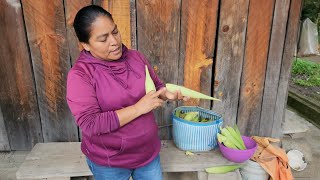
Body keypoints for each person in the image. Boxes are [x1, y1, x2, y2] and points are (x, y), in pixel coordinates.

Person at [67, 5, 188, 180]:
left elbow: (155, 87)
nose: (114, 42)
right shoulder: (80, 75)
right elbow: (91, 123)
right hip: (110, 162)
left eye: (115, 32)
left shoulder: (136, 58)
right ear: (85, 45)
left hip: (148, 155)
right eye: (103, 39)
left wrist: (165, 93)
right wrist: (139, 108)